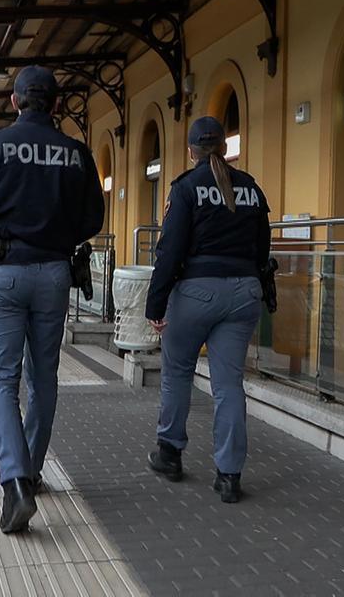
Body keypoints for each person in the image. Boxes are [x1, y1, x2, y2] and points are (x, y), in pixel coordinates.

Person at [0, 65, 105, 533]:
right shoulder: (76, 153)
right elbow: (93, 218)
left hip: (5, 273)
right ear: (56, 105)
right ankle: (32, 472)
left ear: (15, 101)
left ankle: (14, 481)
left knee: (2, 380)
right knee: (44, 378)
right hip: (55, 274)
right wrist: (57, 239)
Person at [144, 116, 272, 503]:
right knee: (229, 384)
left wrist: (156, 303)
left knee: (178, 372)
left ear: (191, 151)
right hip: (245, 292)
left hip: (197, 292)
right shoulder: (250, 187)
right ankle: (229, 475)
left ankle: (170, 454)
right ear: (225, 148)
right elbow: (263, 248)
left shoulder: (186, 188)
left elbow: (170, 250)